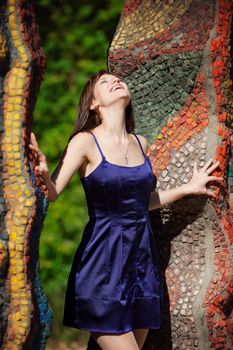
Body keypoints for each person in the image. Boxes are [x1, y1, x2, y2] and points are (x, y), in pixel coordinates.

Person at [29, 69, 223, 350]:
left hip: (142, 267)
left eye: (117, 79)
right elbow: (54, 191)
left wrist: (187, 188)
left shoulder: (140, 143)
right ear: (93, 103)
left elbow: (140, 202)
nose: (115, 82)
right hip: (101, 267)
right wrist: (45, 172)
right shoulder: (85, 141)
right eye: (104, 83)